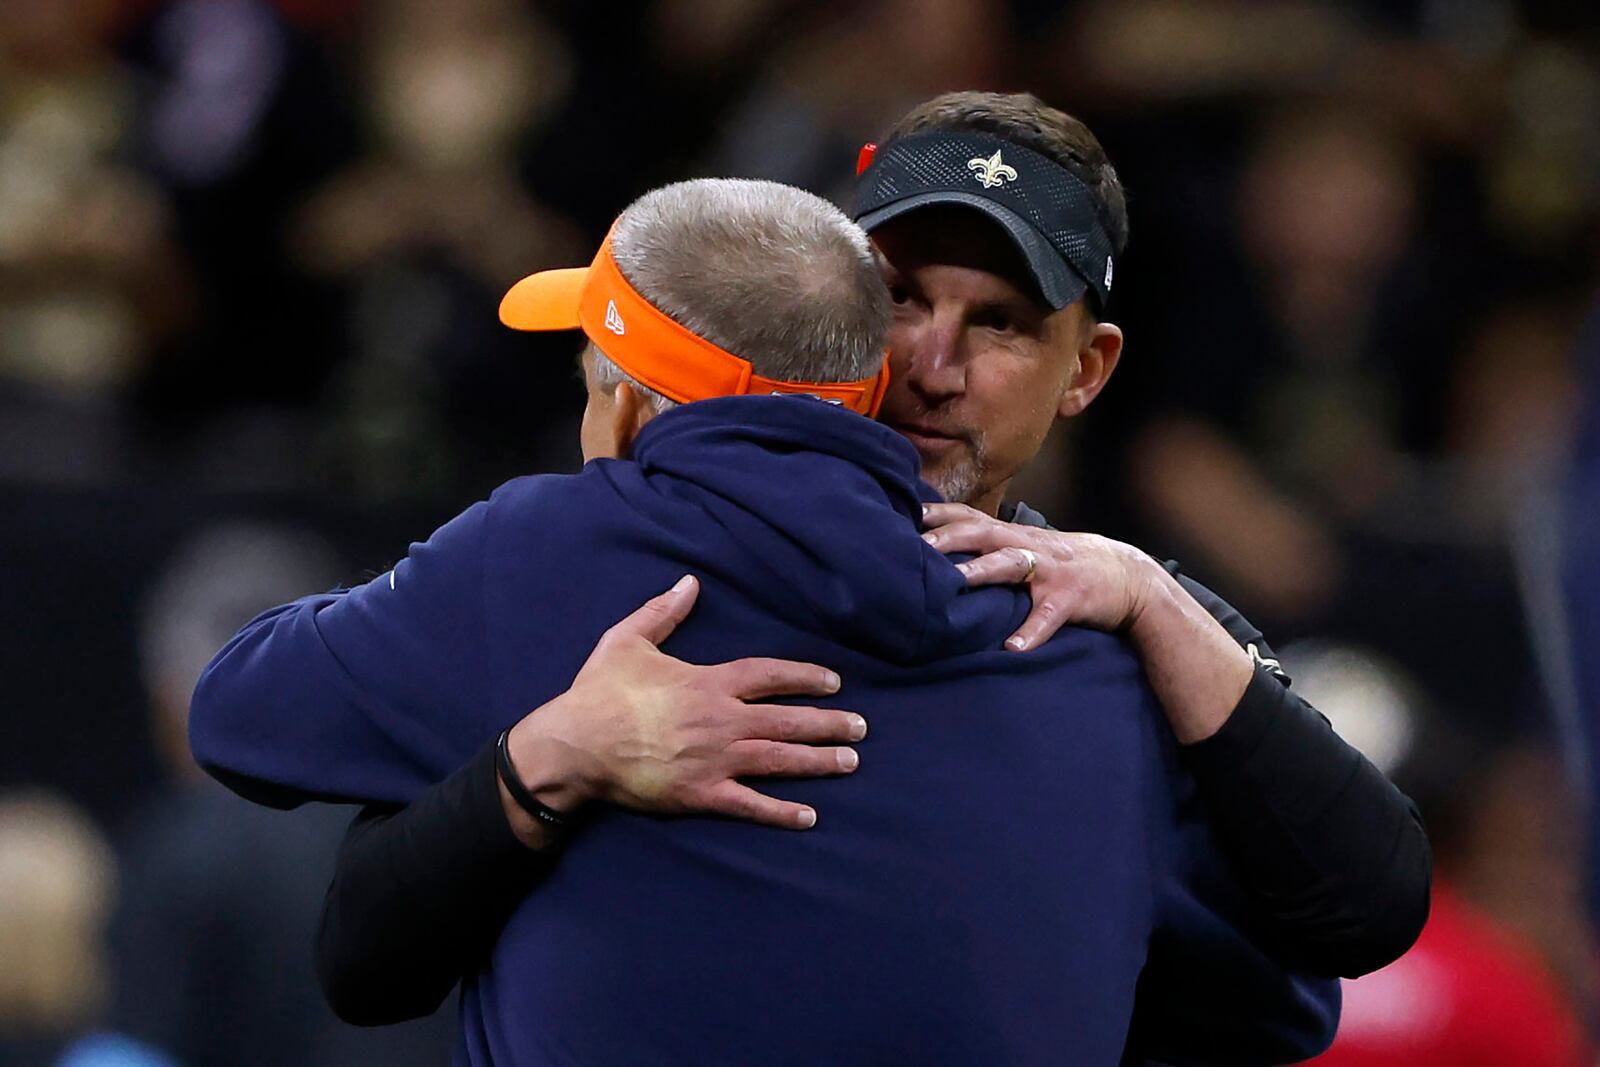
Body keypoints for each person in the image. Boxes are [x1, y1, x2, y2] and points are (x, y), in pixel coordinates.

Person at [302, 92, 1430, 1041]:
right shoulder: (608, 568)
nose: (931, 365)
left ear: (1085, 369)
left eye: (997, 324)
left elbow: (1355, 917)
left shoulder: (1134, 642)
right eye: (896, 298)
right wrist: (553, 759)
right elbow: (362, 958)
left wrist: (1150, 598)